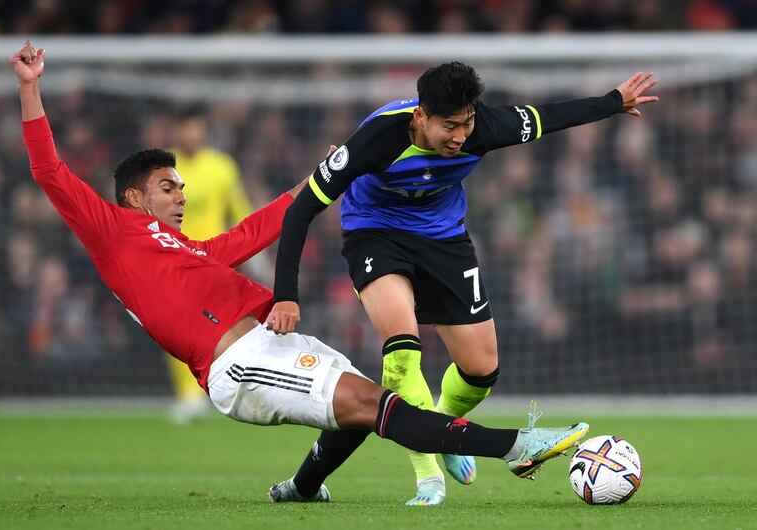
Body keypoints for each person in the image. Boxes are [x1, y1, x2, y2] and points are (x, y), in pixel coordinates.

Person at [12, 41, 589, 504]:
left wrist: (317, 185)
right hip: (235, 366)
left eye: (183, 186)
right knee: (375, 405)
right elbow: (49, 170)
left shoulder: (189, 251)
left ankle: (302, 488)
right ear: (134, 198)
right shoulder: (113, 233)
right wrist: (30, 87)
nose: (182, 195)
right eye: (169, 187)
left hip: (269, 343)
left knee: (365, 404)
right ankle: (516, 446)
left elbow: (250, 233)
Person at [269, 62, 658, 505]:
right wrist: (286, 294)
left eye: (466, 122)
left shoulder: (486, 127)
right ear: (421, 117)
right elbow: (299, 211)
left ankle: (443, 430)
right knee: (401, 353)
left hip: (442, 239)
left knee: (481, 370)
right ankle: (428, 477)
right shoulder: (377, 138)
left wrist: (612, 102)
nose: (460, 136)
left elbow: (550, 117)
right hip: (375, 234)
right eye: (449, 125)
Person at [164, 107, 260, 423]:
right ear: (177, 131)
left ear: (203, 130)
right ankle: (190, 396)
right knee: (175, 328)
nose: (191, 134)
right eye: (185, 128)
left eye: (196, 128)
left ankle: (239, 386)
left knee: (228, 325)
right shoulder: (164, 169)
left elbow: (240, 210)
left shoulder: (222, 167)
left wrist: (257, 256)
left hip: (217, 260)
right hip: (176, 259)